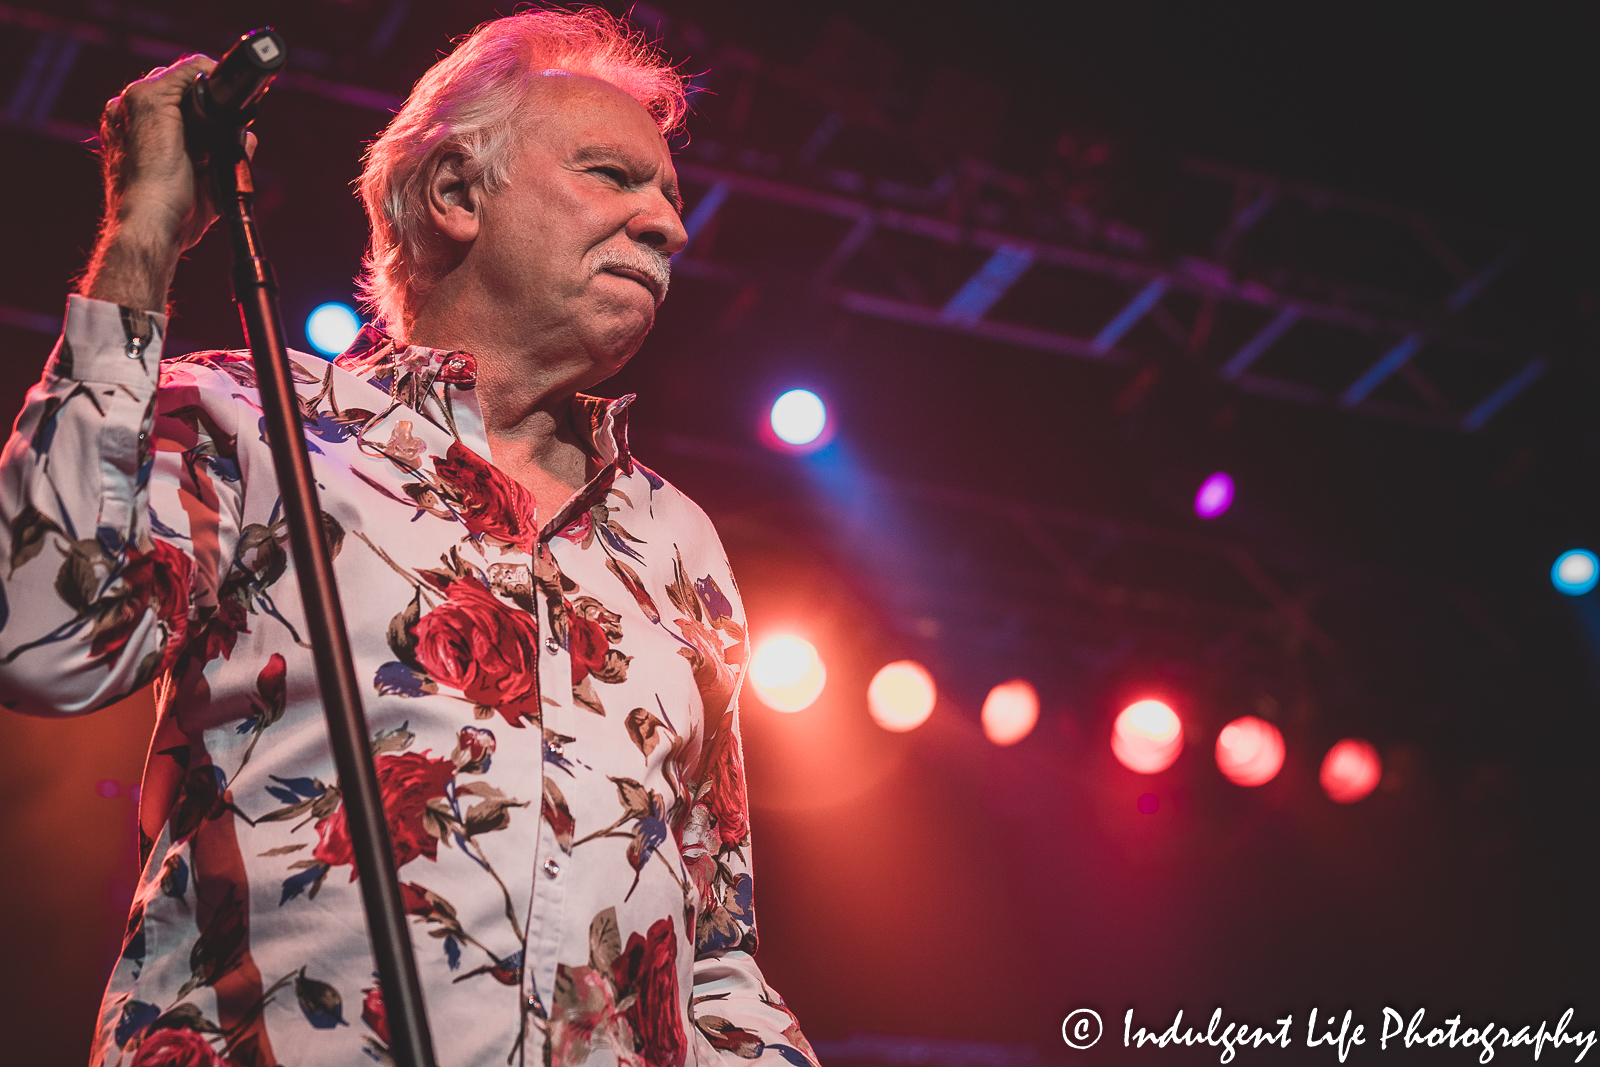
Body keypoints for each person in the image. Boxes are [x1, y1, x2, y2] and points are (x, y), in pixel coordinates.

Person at [0, 9, 814, 1066]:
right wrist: (145, 234)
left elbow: (714, 952)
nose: (671, 224)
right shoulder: (253, 419)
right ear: (456, 194)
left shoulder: (675, 540)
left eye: (669, 192)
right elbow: (39, 635)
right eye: (616, 176)